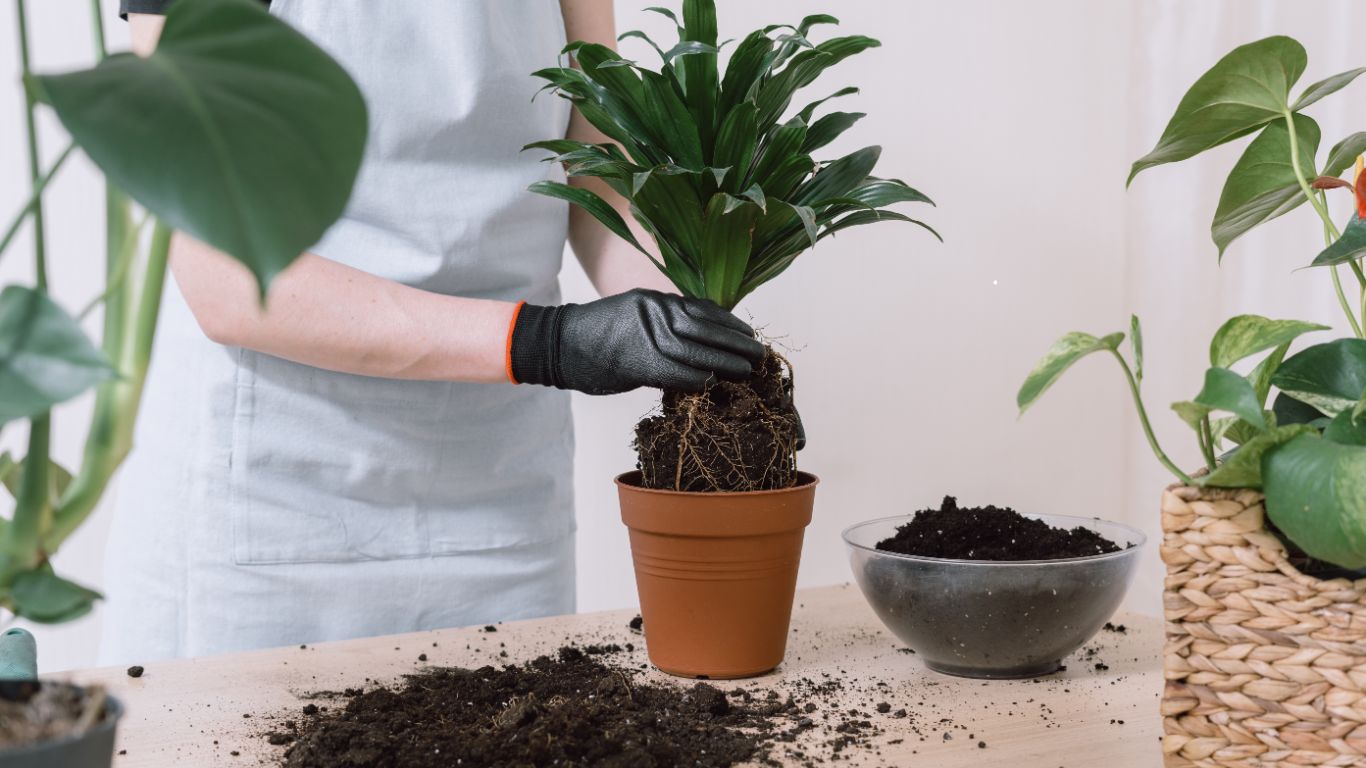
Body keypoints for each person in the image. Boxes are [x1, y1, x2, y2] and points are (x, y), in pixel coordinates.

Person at [100, 0, 764, 663]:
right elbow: (225, 274)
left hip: (501, 492)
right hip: (277, 501)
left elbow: (597, 161)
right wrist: (552, 344)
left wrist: (681, 317)